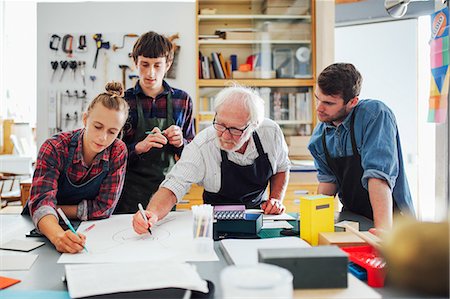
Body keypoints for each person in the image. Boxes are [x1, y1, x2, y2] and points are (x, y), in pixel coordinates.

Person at [132, 86, 291, 234]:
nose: (225, 136)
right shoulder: (203, 145)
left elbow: (281, 167)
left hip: (259, 215)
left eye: (235, 130)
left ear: (253, 125)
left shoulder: (270, 132)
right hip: (216, 219)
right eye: (220, 125)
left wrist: (275, 200)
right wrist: (152, 213)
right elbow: (174, 186)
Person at [307, 63, 415, 229]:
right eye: (317, 99)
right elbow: (328, 182)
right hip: (353, 218)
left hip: (393, 221)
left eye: (329, 103)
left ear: (352, 102)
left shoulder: (374, 115)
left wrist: (382, 231)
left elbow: (378, 177)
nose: (319, 108)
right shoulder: (319, 137)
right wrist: (314, 223)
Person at [25, 82, 129, 253]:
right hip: (44, 227)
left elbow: (104, 207)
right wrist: (58, 236)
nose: (103, 137)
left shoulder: (117, 151)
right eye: (97, 127)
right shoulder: (54, 147)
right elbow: (41, 204)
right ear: (85, 119)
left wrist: (55, 208)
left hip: (88, 230)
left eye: (112, 132)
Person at [115, 31, 195, 214]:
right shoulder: (122, 101)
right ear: (135, 63)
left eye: (157, 65)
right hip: (127, 193)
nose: (151, 73)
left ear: (167, 65)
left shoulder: (183, 100)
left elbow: (192, 153)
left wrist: (181, 143)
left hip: (167, 191)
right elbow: (109, 154)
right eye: (144, 64)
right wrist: (137, 148)